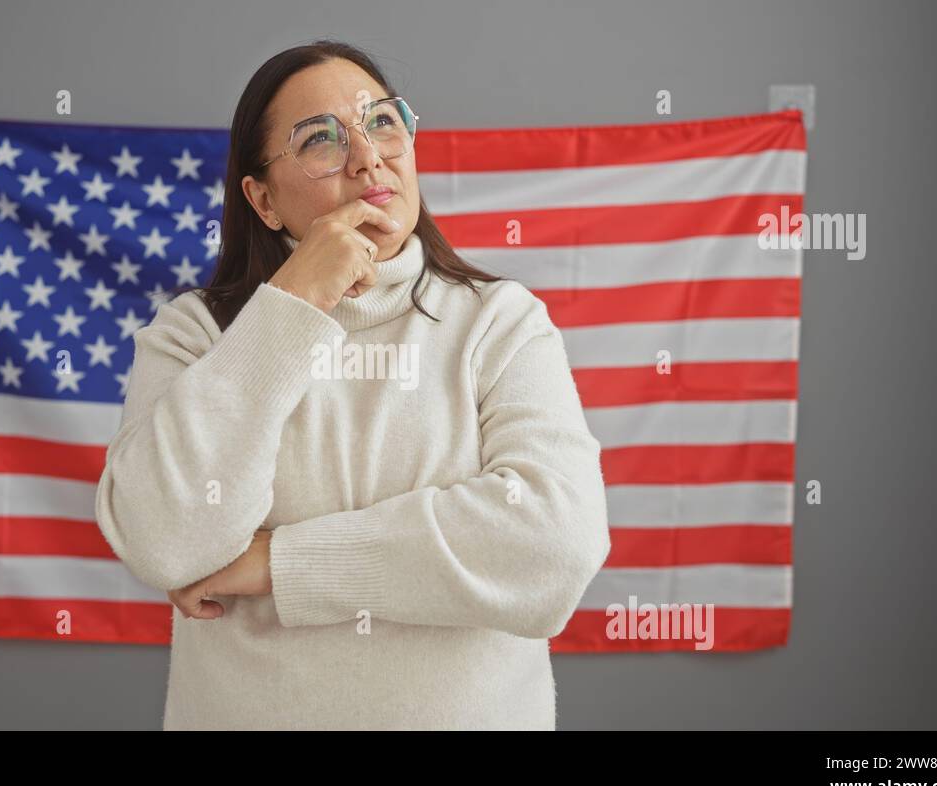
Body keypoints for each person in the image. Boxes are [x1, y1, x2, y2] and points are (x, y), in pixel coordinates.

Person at [94, 39, 611, 730]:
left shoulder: (501, 322)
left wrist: (276, 562)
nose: (369, 157)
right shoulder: (195, 334)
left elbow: (554, 546)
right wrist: (295, 301)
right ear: (263, 198)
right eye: (321, 139)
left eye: (384, 122)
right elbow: (165, 539)